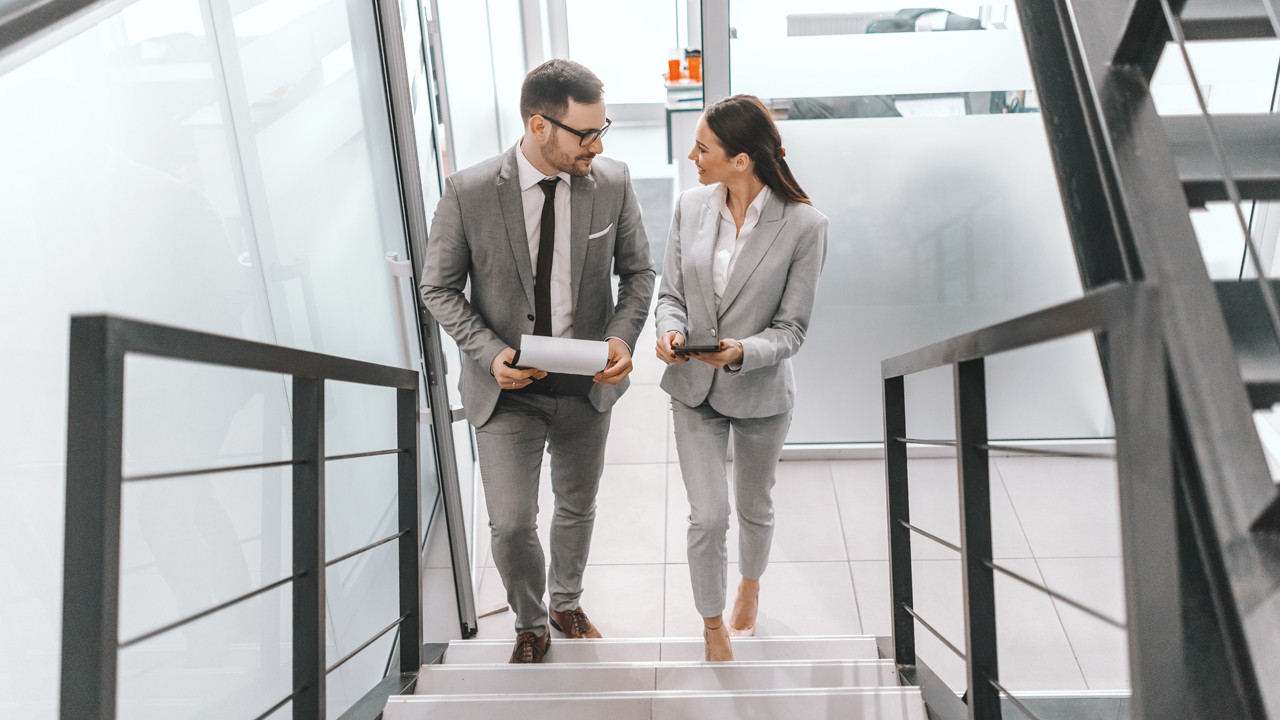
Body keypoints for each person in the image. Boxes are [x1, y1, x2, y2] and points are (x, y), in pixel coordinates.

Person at [420, 59, 655, 664]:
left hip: (586, 385)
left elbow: (639, 274)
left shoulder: (612, 181)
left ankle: (565, 602)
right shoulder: (469, 191)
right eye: (586, 133)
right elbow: (438, 288)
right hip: (507, 389)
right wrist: (489, 352)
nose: (597, 146)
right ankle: (529, 620)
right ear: (539, 125)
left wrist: (623, 342)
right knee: (511, 524)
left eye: (604, 131)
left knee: (577, 505)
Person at [654, 94, 827, 662]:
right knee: (708, 516)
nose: (691, 156)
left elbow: (792, 330)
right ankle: (711, 625)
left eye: (702, 148)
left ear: (742, 160)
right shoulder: (689, 205)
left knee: (754, 507)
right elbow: (672, 294)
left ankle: (750, 584)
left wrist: (738, 353)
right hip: (693, 390)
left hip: (759, 390)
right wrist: (671, 333)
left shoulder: (804, 226)